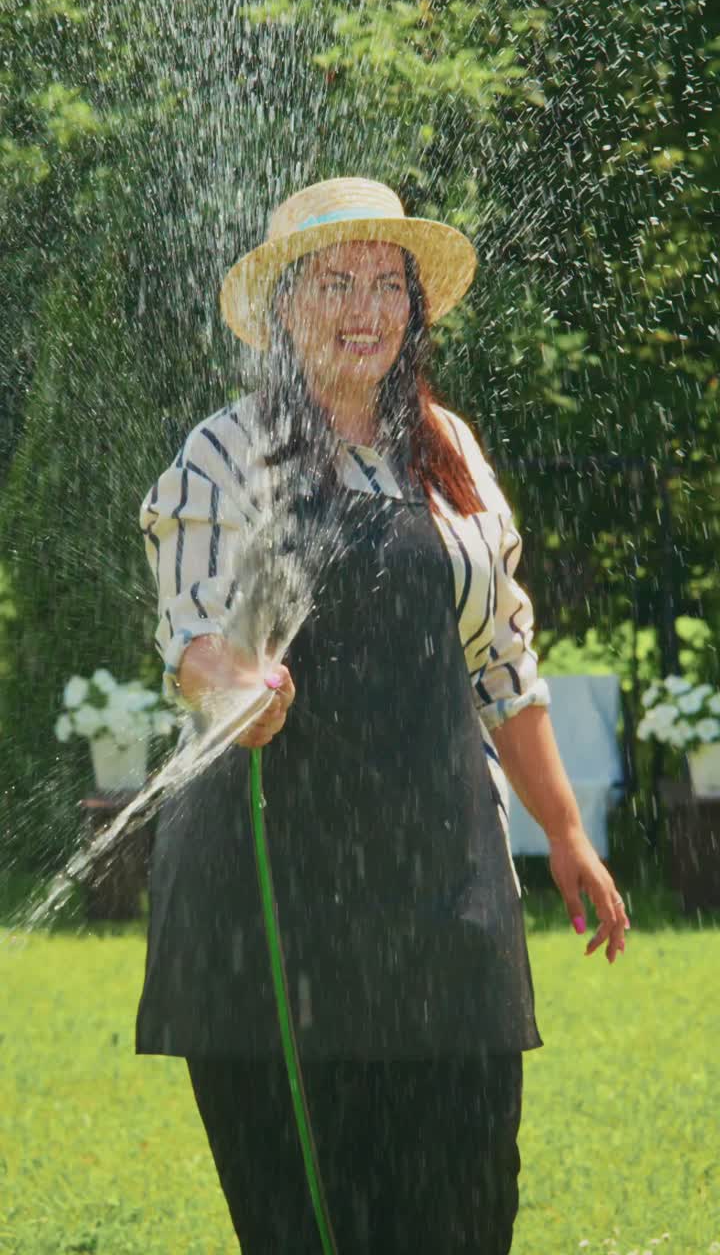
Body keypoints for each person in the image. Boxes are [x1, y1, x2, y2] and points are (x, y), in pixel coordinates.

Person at [135, 177, 631, 1253]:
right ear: (284, 308)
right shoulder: (225, 453)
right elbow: (194, 636)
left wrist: (573, 837)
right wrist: (236, 691)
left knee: (465, 1209)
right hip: (272, 917)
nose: (362, 307)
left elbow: (505, 665)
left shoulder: (450, 456)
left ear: (414, 308)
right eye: (333, 281)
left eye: (385, 283)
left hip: (445, 904)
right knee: (311, 1225)